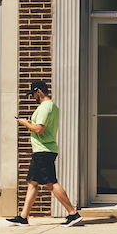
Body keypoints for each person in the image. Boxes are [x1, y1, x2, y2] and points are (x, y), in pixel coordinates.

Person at [6, 80, 83, 226]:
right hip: (41, 150)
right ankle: (23, 217)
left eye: (34, 94)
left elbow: (39, 129)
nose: (33, 97)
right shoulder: (52, 106)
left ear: (39, 91)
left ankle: (73, 213)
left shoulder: (44, 107)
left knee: (51, 183)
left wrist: (25, 123)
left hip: (43, 150)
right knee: (32, 183)